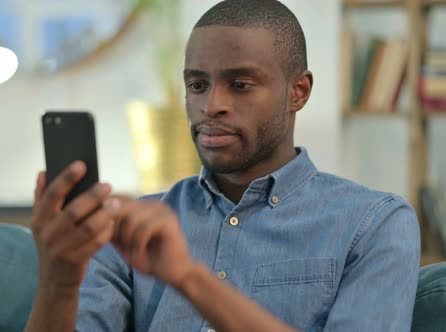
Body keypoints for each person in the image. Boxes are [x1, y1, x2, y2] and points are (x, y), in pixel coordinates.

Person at [25, 0, 420, 331]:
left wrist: (188, 277)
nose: (211, 105)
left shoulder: (374, 224)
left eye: (240, 85)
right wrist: (57, 280)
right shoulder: (130, 228)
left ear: (297, 92)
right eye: (197, 85)